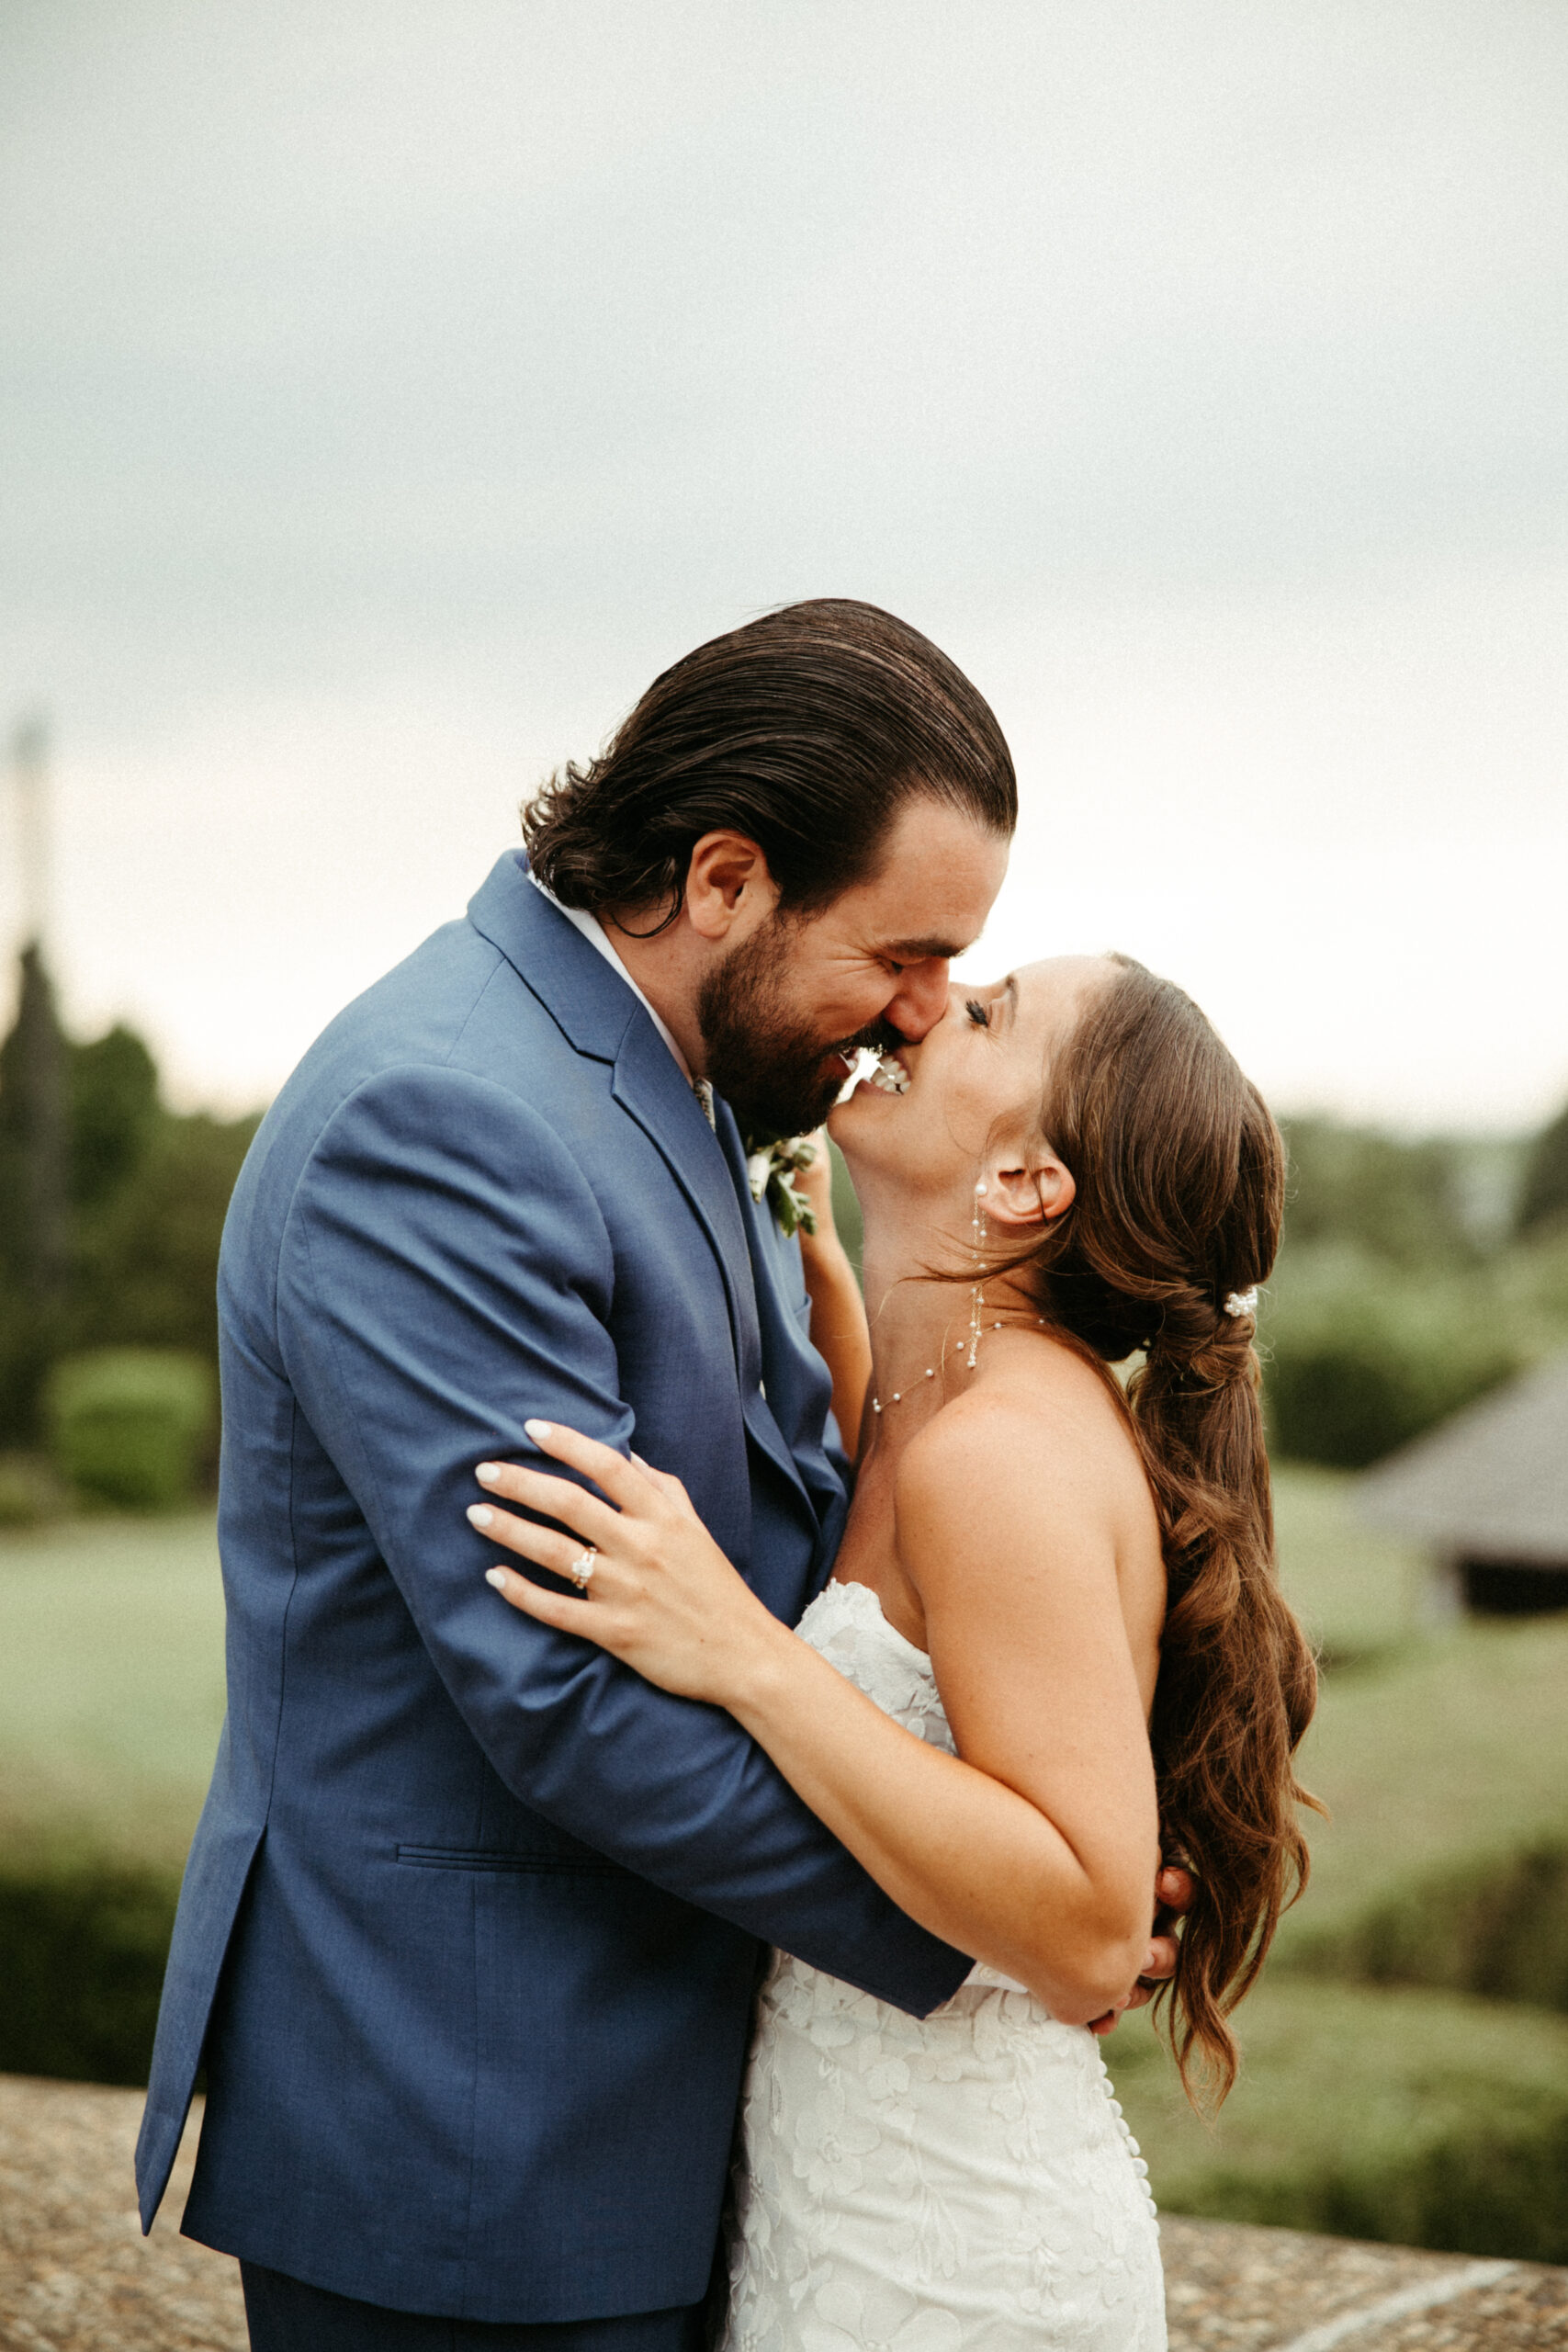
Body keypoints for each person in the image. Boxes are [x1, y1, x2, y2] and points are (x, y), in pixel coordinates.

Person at [135, 599, 1185, 2350]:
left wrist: (1049, 1836)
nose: (919, 1014)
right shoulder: (446, 1117)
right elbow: (564, 1693)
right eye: (908, 953)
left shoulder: (685, 1077)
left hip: (660, 2117)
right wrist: (992, 1936)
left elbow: (794, 1548)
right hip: (476, 2131)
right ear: (723, 881)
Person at [473, 951, 1321, 2352]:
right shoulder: (920, 1397)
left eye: (985, 1012)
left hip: (951, 2257)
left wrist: (742, 1649)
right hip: (841, 2201)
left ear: (1023, 1186)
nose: (927, 1007)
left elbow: (1095, 1929)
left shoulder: (997, 1456)